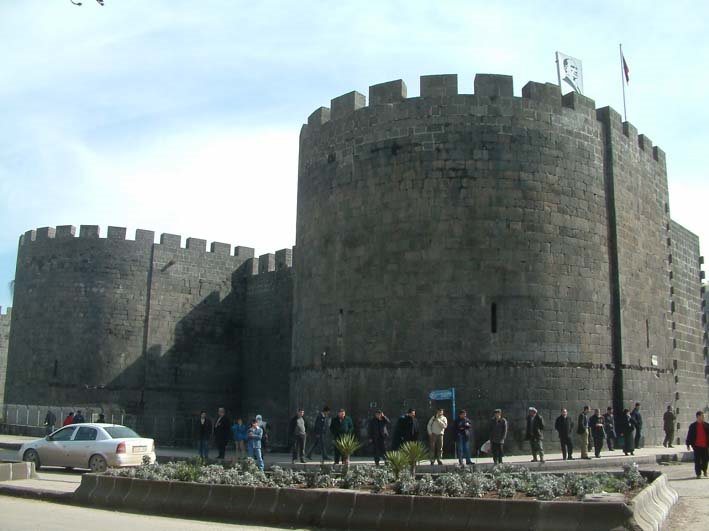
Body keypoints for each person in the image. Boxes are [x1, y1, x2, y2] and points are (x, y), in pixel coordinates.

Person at [685, 411, 709, 479]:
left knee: (705, 460)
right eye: (702, 416)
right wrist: (688, 444)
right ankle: (698, 474)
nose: (703, 417)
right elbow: (689, 435)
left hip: (705, 446)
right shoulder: (693, 426)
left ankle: (704, 470)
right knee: (697, 461)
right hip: (697, 446)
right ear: (698, 417)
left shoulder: (707, 425)